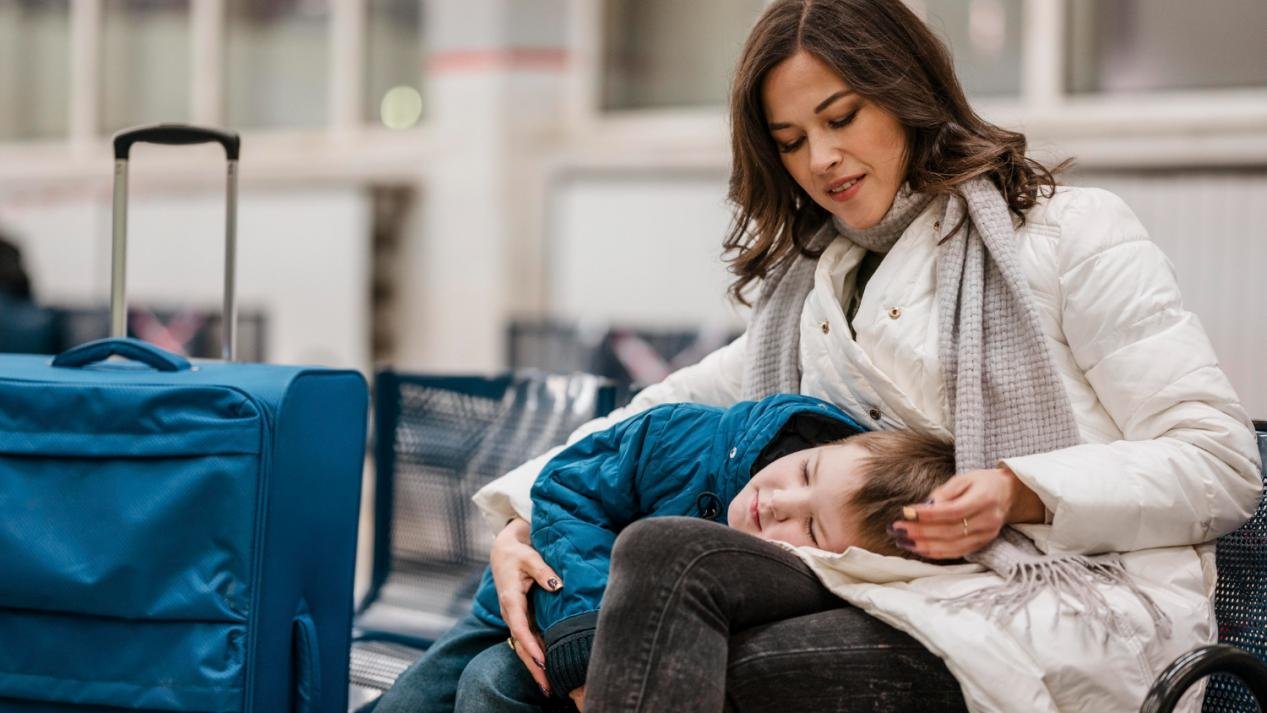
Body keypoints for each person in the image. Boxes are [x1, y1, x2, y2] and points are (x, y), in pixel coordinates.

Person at [476, 1, 1263, 711]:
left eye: (841, 117)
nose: (820, 158)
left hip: (1061, 609)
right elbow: (662, 405)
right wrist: (523, 519)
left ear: (906, 93)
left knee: (689, 649)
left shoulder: (1071, 235)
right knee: (529, 660)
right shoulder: (822, 289)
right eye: (790, 141)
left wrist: (1019, 491)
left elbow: (1217, 462)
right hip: (892, 592)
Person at [371, 393, 956, 712]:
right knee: (417, 698)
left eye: (811, 524)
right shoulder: (688, 437)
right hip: (522, 601)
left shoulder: (782, 576)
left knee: (488, 684)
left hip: (587, 639)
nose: (782, 503)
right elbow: (568, 485)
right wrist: (583, 635)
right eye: (805, 471)